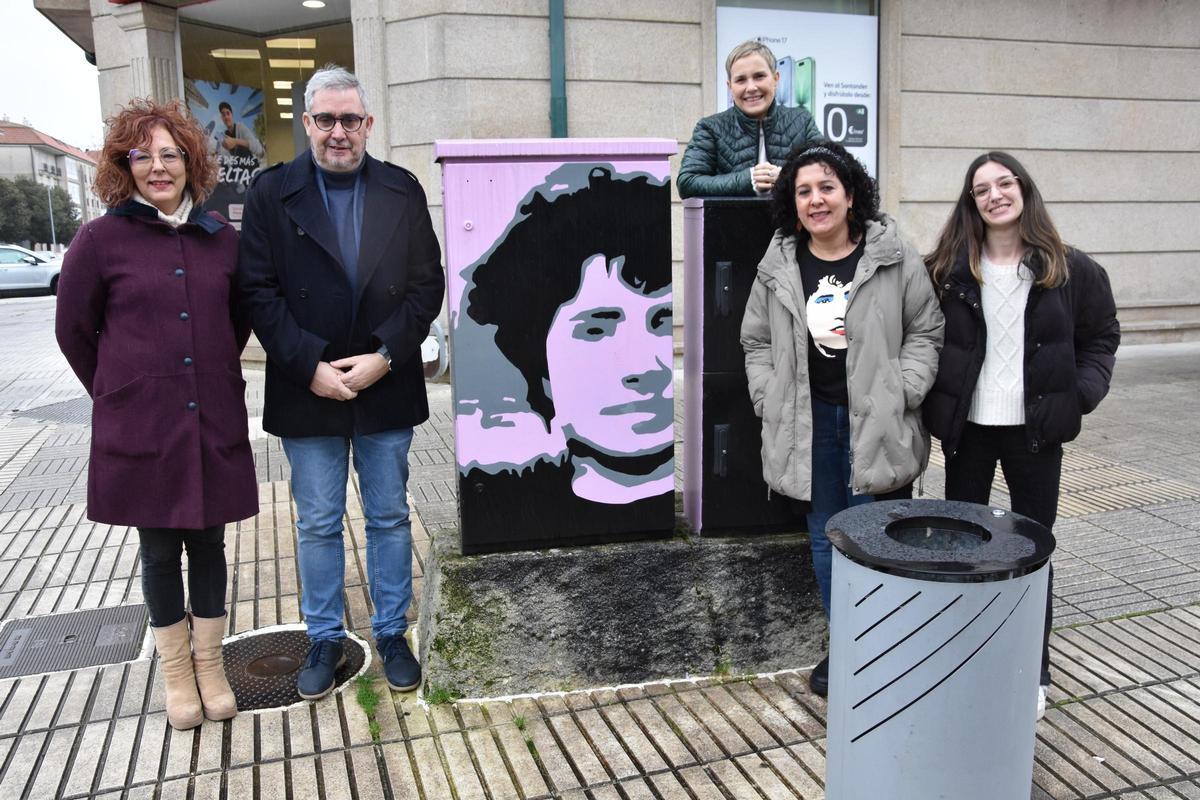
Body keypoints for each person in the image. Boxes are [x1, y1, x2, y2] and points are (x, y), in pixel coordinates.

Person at [238, 65, 445, 699]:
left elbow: (426, 285)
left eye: (349, 120)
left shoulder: (402, 190)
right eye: (324, 119)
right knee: (319, 522)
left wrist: (386, 355)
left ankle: (390, 633)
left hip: (385, 381)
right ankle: (324, 638)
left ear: (368, 124)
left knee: (387, 516)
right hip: (310, 386)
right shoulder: (273, 194)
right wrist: (310, 367)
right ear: (307, 123)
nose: (337, 132)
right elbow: (258, 291)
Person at [55, 99, 257, 730]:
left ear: (190, 162)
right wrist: (118, 392)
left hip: (212, 415)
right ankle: (177, 676)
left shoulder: (223, 239)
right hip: (144, 424)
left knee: (211, 544)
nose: (159, 168)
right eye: (144, 156)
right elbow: (73, 330)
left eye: (171, 154)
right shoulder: (100, 238)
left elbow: (239, 319)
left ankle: (211, 666)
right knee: (160, 548)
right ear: (126, 164)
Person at [740, 141, 944, 697]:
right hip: (810, 423)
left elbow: (926, 329)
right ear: (793, 202)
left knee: (877, 535)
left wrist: (902, 390)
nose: (816, 200)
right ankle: (849, 643)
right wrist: (769, 396)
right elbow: (755, 339)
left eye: (827, 187)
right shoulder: (778, 262)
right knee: (827, 536)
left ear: (850, 195)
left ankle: (884, 645)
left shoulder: (891, 252)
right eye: (804, 191)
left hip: (876, 418)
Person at [923, 152, 1120, 720]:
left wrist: (1080, 393)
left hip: (1035, 432)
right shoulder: (949, 270)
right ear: (971, 203)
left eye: (1004, 183)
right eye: (981, 189)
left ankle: (1031, 670)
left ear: (1023, 190)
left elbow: (1102, 336)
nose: (994, 195)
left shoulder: (1070, 269)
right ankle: (964, 657)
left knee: (1034, 550)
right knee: (961, 546)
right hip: (970, 431)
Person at [460, 168, 673, 548]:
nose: (647, 369)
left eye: (661, 321)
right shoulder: (505, 509)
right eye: (597, 328)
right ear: (537, 365)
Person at [677, 40, 821, 199]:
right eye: (741, 80)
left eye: (759, 76)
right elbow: (687, 182)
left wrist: (788, 177)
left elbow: (828, 171)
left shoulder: (802, 120)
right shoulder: (710, 128)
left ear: (776, 79)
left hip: (792, 223)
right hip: (733, 223)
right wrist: (747, 179)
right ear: (729, 86)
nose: (751, 87)